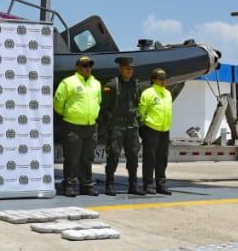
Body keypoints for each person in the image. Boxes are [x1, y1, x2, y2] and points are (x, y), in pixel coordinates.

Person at [54, 55, 101, 197]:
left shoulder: (96, 83)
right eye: (84, 65)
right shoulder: (68, 82)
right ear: (77, 67)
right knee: (72, 158)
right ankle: (70, 185)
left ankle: (86, 185)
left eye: (89, 65)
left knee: (87, 158)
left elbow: (98, 102)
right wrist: (71, 115)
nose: (87, 68)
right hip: (72, 126)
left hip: (91, 126)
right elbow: (58, 103)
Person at [99, 56, 144, 196]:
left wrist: (137, 119)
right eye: (127, 68)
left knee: (133, 156)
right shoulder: (112, 85)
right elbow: (104, 107)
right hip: (117, 125)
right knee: (113, 155)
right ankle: (110, 184)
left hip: (132, 125)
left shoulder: (137, 85)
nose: (130, 71)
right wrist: (110, 122)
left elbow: (137, 103)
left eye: (131, 68)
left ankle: (133, 185)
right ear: (120, 68)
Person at [139, 68, 174, 195]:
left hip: (165, 130)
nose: (164, 81)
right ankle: (148, 185)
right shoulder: (148, 93)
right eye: (161, 78)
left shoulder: (168, 93)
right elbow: (141, 113)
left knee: (162, 159)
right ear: (153, 79)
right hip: (151, 129)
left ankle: (161, 185)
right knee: (150, 159)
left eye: (165, 78)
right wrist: (143, 129)